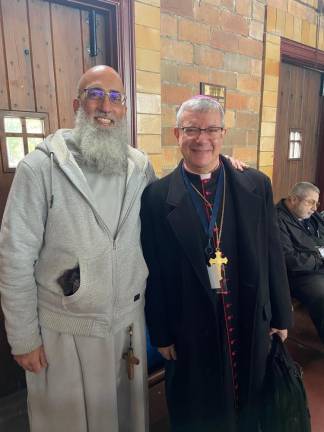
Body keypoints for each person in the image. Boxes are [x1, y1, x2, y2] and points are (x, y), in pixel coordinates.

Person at [0, 65, 156, 432]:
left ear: (124, 110)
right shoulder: (40, 168)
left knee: (125, 421)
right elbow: (15, 256)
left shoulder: (139, 167)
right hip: (64, 331)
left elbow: (167, 214)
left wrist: (218, 168)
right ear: (77, 103)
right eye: (95, 94)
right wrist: (23, 337)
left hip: (126, 328)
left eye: (115, 98)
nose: (106, 105)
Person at [140, 95, 292, 432]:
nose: (201, 139)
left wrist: (281, 314)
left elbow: (272, 250)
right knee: (199, 409)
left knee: (253, 404)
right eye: (191, 129)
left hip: (248, 311)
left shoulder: (255, 184)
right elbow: (155, 271)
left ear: (223, 134)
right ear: (177, 134)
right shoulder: (156, 197)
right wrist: (161, 332)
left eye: (211, 129)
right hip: (189, 322)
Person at [276, 182, 324, 343]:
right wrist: (319, 258)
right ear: (294, 199)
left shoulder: (311, 215)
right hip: (300, 275)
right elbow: (289, 260)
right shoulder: (276, 219)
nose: (315, 208)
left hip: (317, 263)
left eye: (317, 203)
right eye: (310, 202)